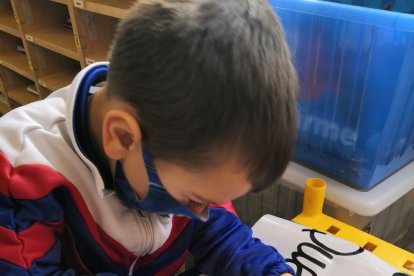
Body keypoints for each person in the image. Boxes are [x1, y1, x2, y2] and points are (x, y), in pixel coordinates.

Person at [0, 0, 298, 275]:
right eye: (194, 200)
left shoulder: (192, 152)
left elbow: (221, 232)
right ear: (123, 138)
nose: (201, 214)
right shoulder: (20, 170)